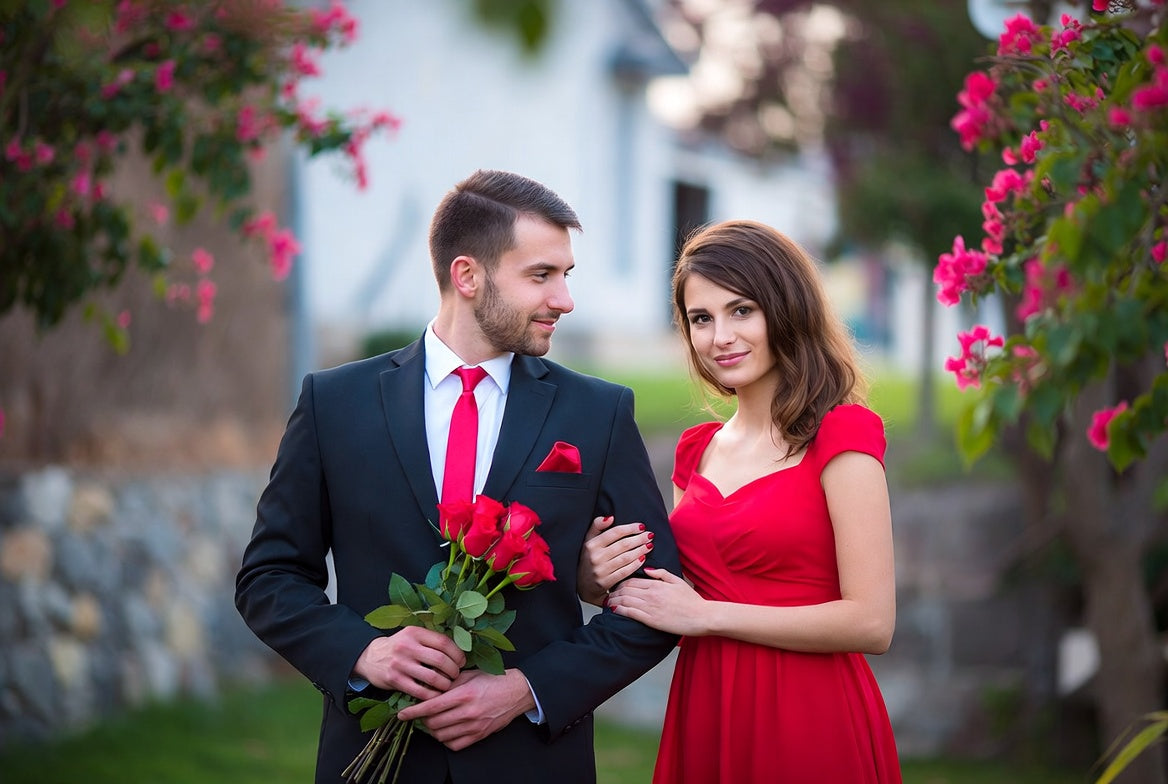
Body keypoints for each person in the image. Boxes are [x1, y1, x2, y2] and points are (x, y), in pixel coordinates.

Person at [235, 169, 682, 784]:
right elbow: (270, 577)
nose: (565, 299)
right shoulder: (333, 403)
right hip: (373, 761)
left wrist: (528, 690)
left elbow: (656, 602)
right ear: (467, 276)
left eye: (566, 275)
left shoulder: (598, 413)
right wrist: (366, 653)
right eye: (541, 275)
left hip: (534, 764)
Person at [578, 219, 902, 783]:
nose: (720, 336)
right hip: (708, 703)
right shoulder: (695, 451)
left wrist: (706, 617)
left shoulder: (843, 433)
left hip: (810, 712)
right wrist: (591, 578)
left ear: (787, 310)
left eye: (742, 311)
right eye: (701, 319)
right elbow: (674, 596)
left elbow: (872, 622)